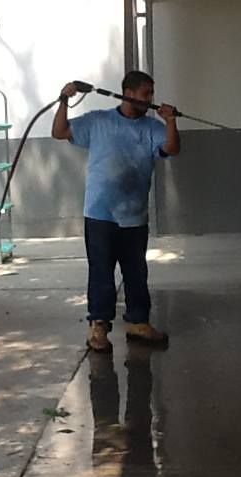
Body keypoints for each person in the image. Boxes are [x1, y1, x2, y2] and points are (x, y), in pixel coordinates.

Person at [52, 71, 180, 352]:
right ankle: (98, 327)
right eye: (146, 93)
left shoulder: (152, 127)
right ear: (128, 92)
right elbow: (59, 132)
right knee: (101, 272)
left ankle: (138, 322)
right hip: (100, 214)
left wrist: (170, 121)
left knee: (136, 272)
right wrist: (64, 100)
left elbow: (172, 148)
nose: (150, 99)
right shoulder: (99, 121)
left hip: (134, 216)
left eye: (151, 93)